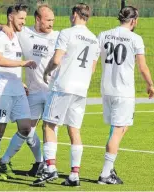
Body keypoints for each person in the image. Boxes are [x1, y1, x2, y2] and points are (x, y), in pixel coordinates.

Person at [32, 3, 100, 187]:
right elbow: (92, 69)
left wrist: (46, 72)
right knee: (74, 130)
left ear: (76, 14)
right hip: (81, 89)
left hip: (63, 87)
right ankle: (74, 175)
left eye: (72, 14)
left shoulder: (66, 33)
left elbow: (56, 59)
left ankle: (50, 168)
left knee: (49, 125)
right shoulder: (94, 39)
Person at [0, 4, 60, 178]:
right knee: (27, 130)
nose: (51, 23)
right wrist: (2, 26)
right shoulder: (23, 33)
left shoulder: (59, 36)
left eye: (53, 20)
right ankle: (34, 162)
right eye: (48, 20)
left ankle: (43, 163)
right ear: (38, 19)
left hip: (53, 90)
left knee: (48, 129)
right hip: (33, 91)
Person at [97, 6, 154, 184]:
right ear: (133, 20)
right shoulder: (135, 38)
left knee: (119, 128)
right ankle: (106, 174)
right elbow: (142, 67)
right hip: (124, 91)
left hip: (107, 90)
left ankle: (110, 166)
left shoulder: (103, 35)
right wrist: (150, 84)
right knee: (118, 130)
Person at [0, 4, 37, 180]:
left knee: (25, 127)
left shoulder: (15, 35)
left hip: (17, 90)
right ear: (11, 17)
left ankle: (5, 160)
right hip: (3, 91)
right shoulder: (3, 35)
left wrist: (20, 81)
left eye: (25, 18)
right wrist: (22, 63)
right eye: (21, 18)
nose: (24, 22)